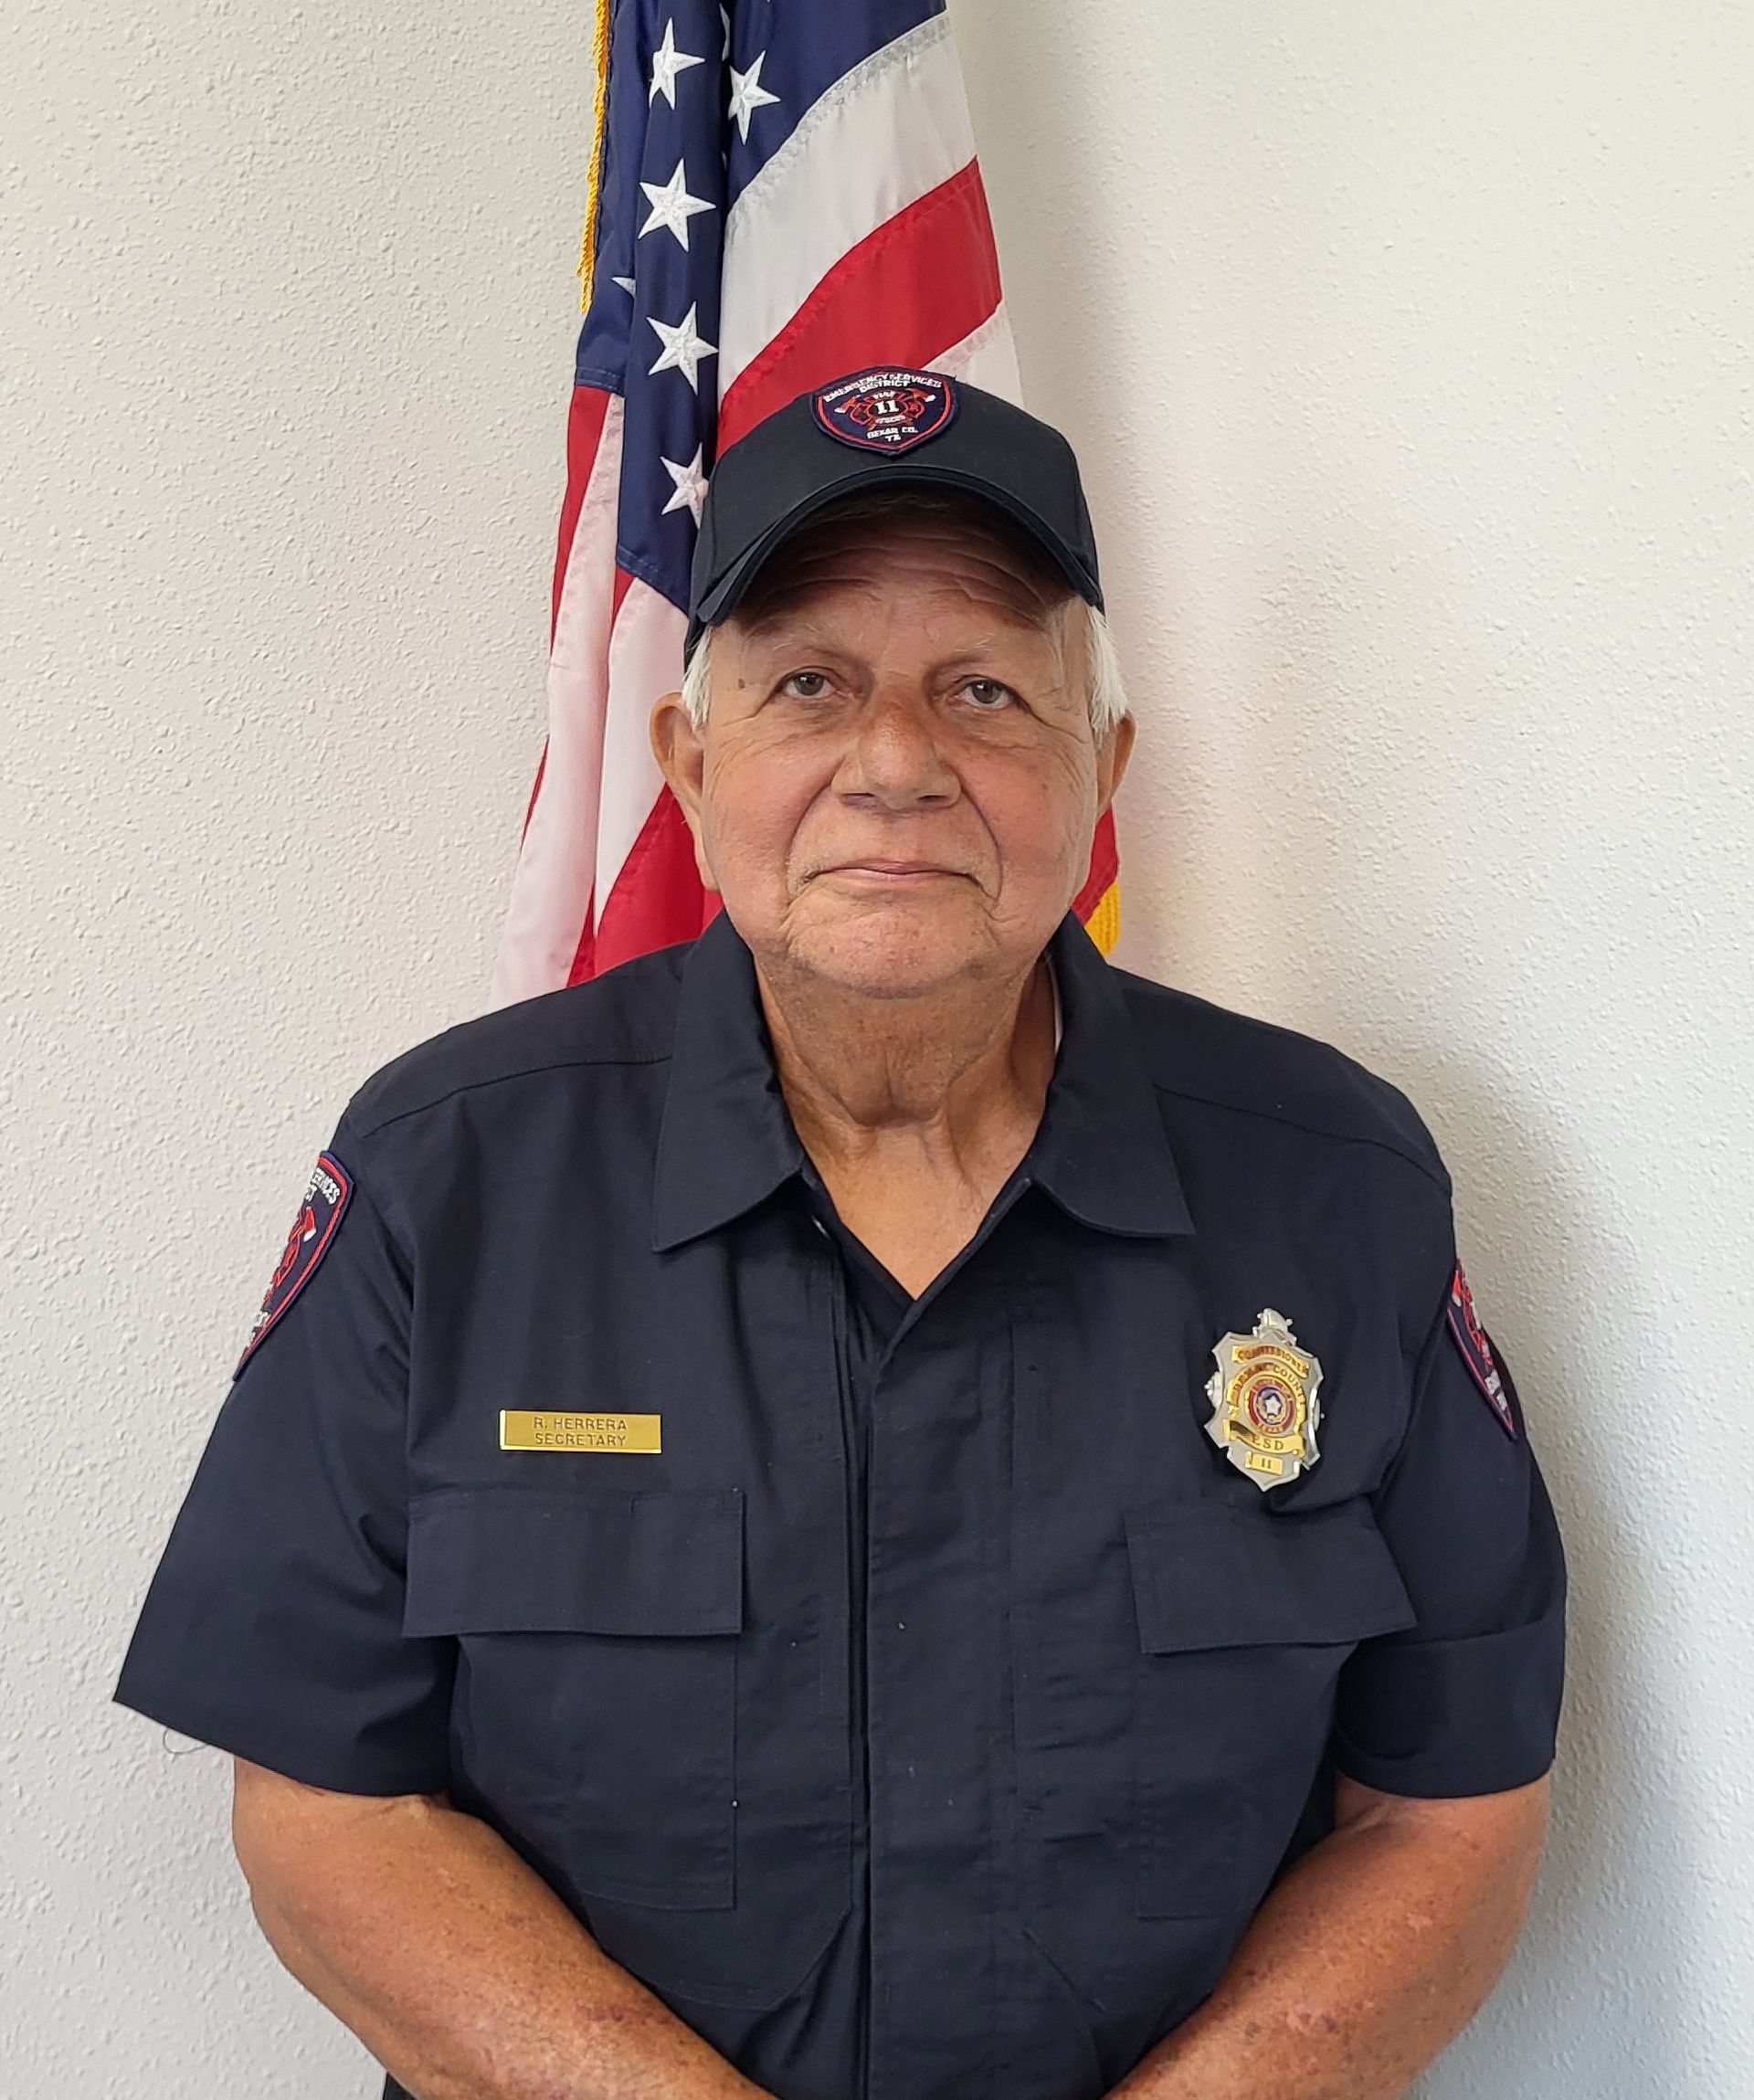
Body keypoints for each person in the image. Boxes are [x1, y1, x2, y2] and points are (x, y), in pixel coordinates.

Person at [113, 365, 1566, 2100]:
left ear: (1098, 766)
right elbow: (327, 1802)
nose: (898, 763)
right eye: (810, 682)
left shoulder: (1337, 1183)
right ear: (691, 757)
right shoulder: (454, 1176)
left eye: (984, 690)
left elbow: (1449, 1802)